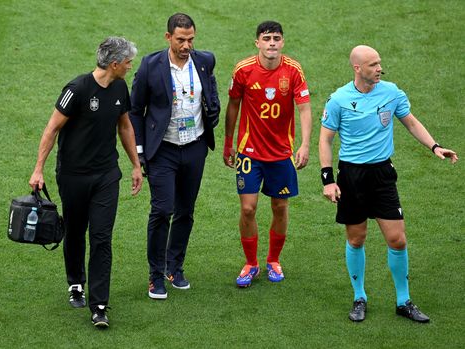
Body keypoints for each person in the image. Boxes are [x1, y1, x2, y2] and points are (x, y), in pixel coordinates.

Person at [319, 45, 458, 323]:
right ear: (357, 68)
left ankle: (403, 301)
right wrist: (328, 180)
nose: (379, 68)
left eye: (379, 63)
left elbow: (411, 122)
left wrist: (435, 147)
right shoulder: (339, 99)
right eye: (373, 65)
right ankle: (359, 297)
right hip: (352, 176)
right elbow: (325, 139)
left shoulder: (392, 92)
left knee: (397, 239)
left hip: (382, 175)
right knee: (356, 238)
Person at [29, 37, 143, 328]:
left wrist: (135, 165)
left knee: (102, 238)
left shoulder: (120, 87)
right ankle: (75, 283)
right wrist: (38, 169)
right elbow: (52, 128)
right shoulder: (77, 89)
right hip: (73, 176)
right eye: (128, 61)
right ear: (114, 63)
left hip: (106, 175)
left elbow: (125, 125)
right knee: (76, 231)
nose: (131, 65)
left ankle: (99, 306)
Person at [129, 13, 220, 300]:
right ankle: (155, 275)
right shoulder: (149, 66)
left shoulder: (205, 60)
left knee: (185, 211)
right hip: (163, 150)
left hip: (194, 147)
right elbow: (134, 110)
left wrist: (213, 109)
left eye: (191, 39)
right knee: (162, 210)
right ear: (168, 37)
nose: (186, 45)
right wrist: (140, 152)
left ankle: (174, 267)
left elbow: (211, 92)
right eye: (181, 39)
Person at [223, 21, 312, 288]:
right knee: (248, 208)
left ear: (282, 42)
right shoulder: (243, 70)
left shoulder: (293, 70)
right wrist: (229, 142)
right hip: (250, 153)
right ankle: (251, 263)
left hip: (281, 154)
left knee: (280, 207)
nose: (271, 43)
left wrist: (305, 144)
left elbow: (305, 108)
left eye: (276, 38)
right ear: (257, 43)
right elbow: (233, 105)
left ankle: (273, 259)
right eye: (266, 38)